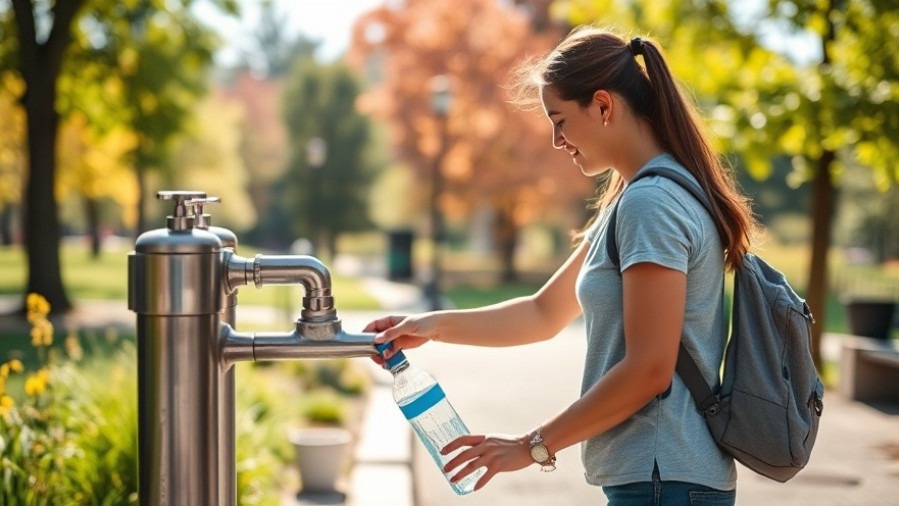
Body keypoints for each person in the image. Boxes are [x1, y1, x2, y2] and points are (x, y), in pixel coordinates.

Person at [364, 26, 757, 505]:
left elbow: (649, 370)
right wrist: (430, 325)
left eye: (560, 120)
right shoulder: (634, 201)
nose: (556, 140)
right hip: (662, 477)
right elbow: (543, 312)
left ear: (603, 106)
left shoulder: (650, 204)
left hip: (664, 479)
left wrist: (529, 446)